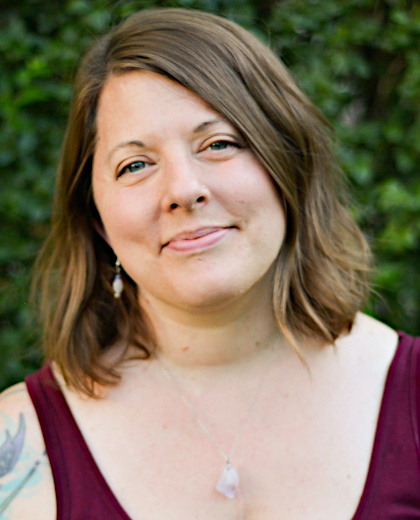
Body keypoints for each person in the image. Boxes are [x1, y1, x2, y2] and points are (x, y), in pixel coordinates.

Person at [0, 7, 418, 520]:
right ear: (97, 219)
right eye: (135, 165)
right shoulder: (17, 449)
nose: (183, 189)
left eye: (219, 144)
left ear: (289, 165)